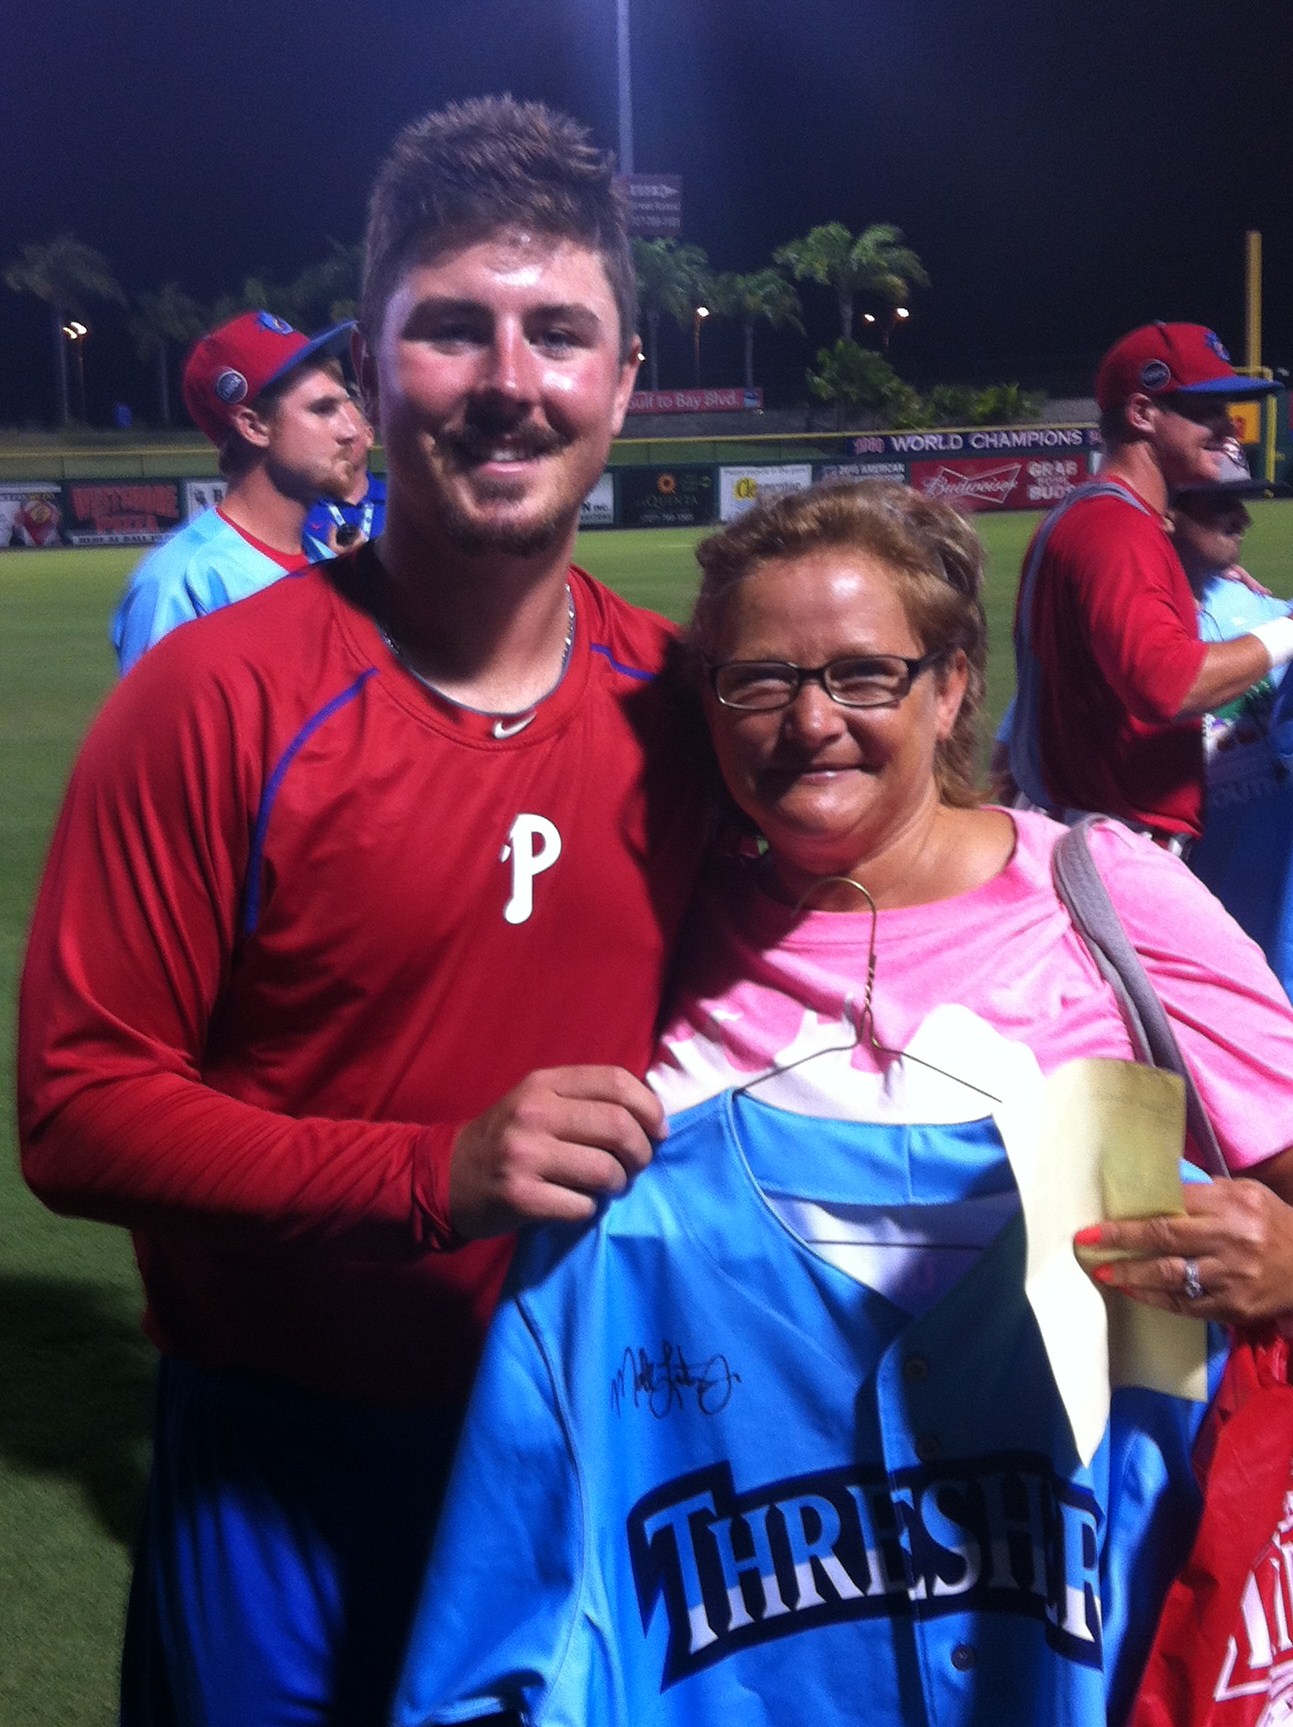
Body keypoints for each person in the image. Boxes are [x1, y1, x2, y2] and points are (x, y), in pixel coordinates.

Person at [18, 96, 709, 1726]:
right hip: (283, 1460)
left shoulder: (685, 705)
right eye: (451, 328)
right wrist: (430, 1173)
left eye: (558, 334)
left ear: (622, 380)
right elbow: (76, 1109)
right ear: (379, 363)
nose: (508, 380)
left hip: (597, 1445)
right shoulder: (214, 698)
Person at [394, 481, 1293, 1727]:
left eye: (866, 673)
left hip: (1068, 1613)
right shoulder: (657, 929)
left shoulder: (1102, 896)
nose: (811, 720)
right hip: (754, 1598)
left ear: (951, 686)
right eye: (760, 679)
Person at [1010, 321, 1288, 848]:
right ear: (1141, 413)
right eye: (1207, 412)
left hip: (1089, 825)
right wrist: (1286, 631)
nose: (1229, 429)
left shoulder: (1101, 517)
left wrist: (1189, 572)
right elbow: (1168, 686)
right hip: (1110, 840)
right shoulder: (1116, 529)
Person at [110, 309, 363, 671]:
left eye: (346, 404)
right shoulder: (182, 583)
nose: (351, 431)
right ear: (254, 427)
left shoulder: (329, 565)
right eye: (323, 410)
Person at [1169, 441, 1293, 993]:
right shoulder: (1130, 624)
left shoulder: (1265, 609)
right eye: (1222, 503)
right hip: (1187, 913)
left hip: (1277, 914)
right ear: (1167, 511)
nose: (1242, 519)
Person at [301, 400, 388, 558]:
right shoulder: (298, 508)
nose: (337, 444)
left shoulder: (398, 504)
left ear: (369, 436)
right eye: (326, 436)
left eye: (347, 436)